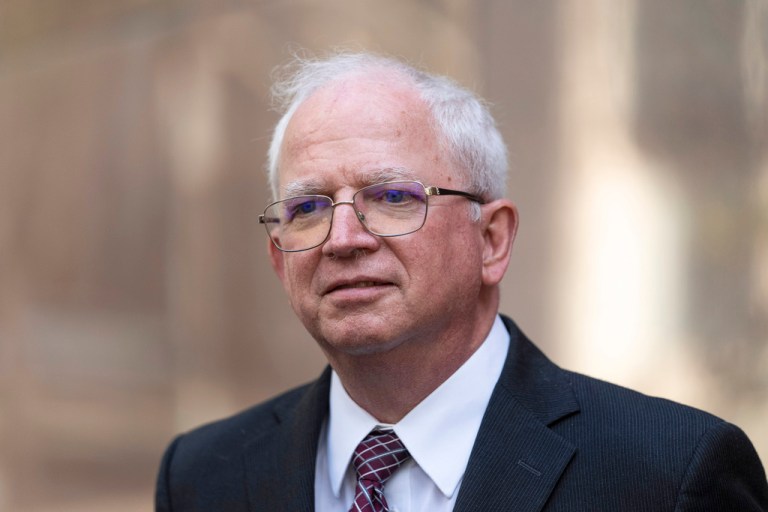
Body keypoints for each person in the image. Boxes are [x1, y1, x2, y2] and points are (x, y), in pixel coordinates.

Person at [155, 51, 768, 511]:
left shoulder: (670, 476)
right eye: (308, 208)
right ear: (279, 258)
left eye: (393, 197)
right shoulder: (202, 477)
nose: (342, 239)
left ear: (492, 240)